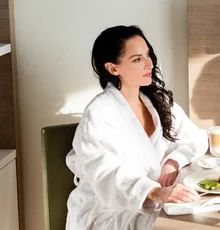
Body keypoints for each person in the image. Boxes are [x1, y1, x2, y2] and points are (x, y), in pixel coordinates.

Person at [65, 25, 207, 230]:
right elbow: (106, 172)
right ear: (113, 68)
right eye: (137, 59)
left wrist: (174, 161)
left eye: (147, 54)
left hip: (155, 199)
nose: (149, 63)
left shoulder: (158, 101)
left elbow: (196, 138)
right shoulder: (99, 113)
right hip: (108, 210)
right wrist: (152, 191)